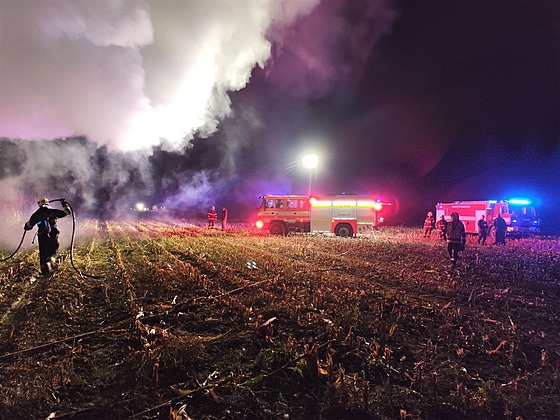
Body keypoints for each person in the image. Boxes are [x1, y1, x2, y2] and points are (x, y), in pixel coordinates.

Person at [24, 197, 71, 275]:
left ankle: (44, 269)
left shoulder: (37, 213)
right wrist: (64, 203)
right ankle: (50, 262)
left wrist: (26, 226)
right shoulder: (53, 211)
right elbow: (67, 212)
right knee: (53, 249)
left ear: (39, 204)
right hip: (53, 233)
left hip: (42, 234)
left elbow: (29, 226)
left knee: (43, 251)